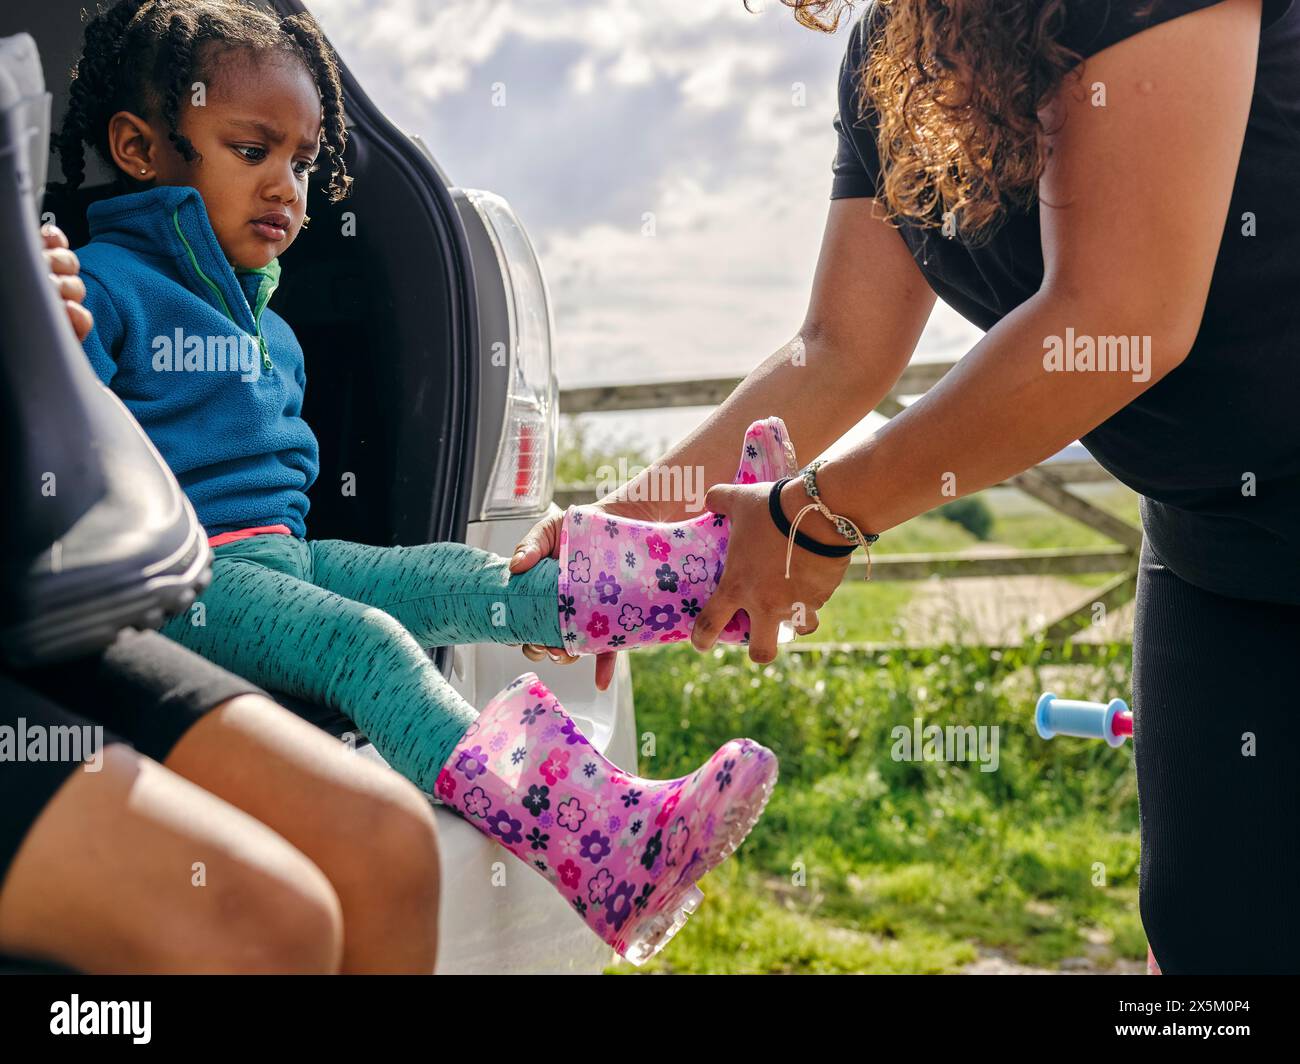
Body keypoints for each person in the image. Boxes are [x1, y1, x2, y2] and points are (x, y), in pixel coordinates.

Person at [512, 0, 1300, 974]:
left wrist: (816, 517)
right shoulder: (893, 49)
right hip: (1214, 548)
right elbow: (837, 349)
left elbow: (1121, 314)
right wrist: (626, 519)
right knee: (1210, 934)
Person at [56, 0, 779, 963]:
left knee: (453, 574)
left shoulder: (270, 329)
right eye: (252, 149)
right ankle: (596, 840)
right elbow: (63, 437)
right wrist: (56, 333)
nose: (288, 186)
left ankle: (689, 583)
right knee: (371, 645)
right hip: (186, 585)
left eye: (305, 162)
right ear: (142, 149)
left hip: (280, 558)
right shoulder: (101, 284)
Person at [0, 224, 443, 975]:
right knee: (262, 928)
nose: (285, 189)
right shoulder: (127, 284)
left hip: (28, 591)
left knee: (389, 843)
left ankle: (585, 826)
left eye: (301, 164)